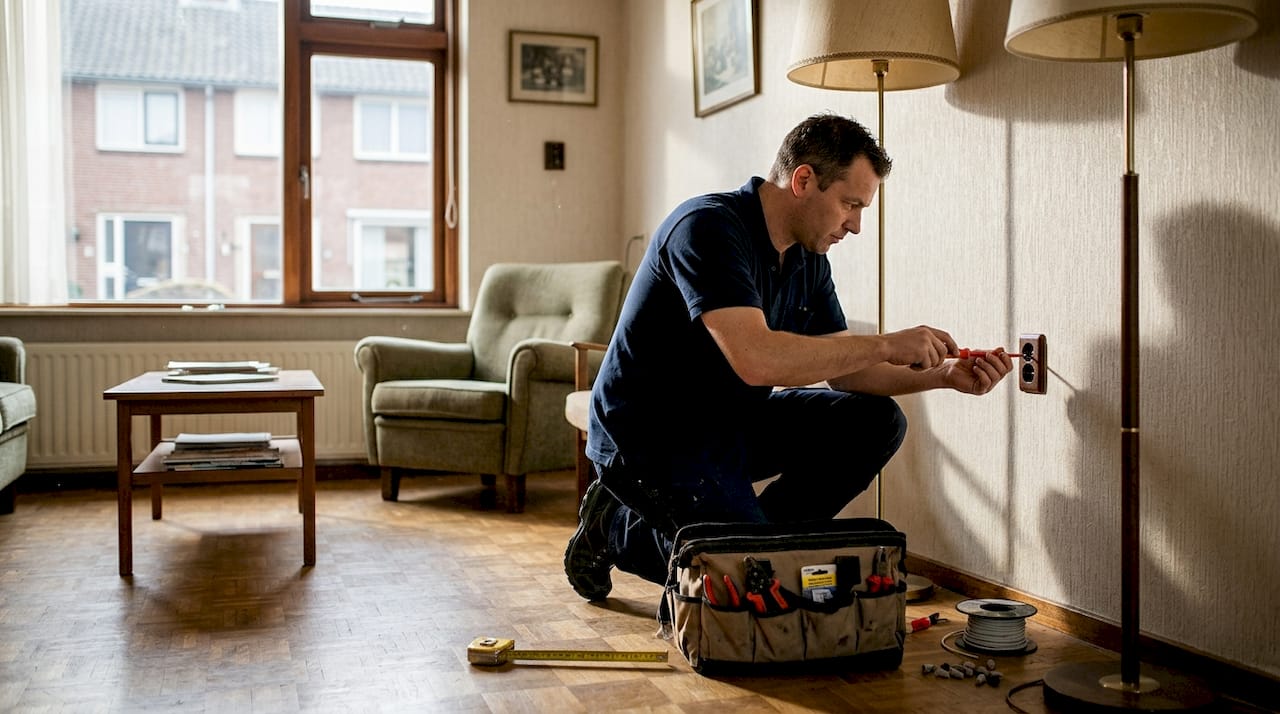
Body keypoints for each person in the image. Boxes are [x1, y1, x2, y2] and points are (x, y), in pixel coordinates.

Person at [564, 113, 1013, 602]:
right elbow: (756, 359)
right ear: (803, 180)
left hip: (731, 425)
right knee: (742, 582)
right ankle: (615, 530)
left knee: (876, 422)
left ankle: (762, 546)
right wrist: (887, 342)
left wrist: (945, 376)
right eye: (850, 204)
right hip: (652, 438)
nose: (857, 226)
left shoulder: (808, 259)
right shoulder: (707, 228)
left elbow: (847, 373)